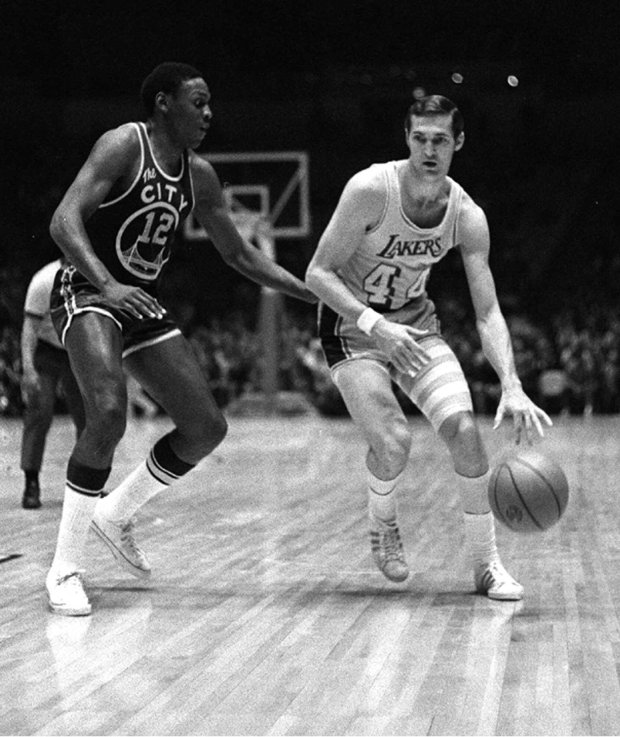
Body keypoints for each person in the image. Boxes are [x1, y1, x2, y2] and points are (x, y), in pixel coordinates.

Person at [45, 62, 315, 616]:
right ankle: (64, 570)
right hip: (88, 290)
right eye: (199, 102)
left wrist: (314, 293)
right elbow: (63, 220)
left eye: (210, 103)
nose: (209, 113)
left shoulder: (201, 175)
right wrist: (108, 283)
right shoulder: (124, 143)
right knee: (108, 413)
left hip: (138, 301)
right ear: (164, 102)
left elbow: (240, 255)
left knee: (206, 427)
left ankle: (115, 513)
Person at [305, 94, 552, 601]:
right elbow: (317, 273)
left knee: (466, 430)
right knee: (394, 443)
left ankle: (486, 566)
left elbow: (488, 311)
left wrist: (512, 383)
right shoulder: (372, 188)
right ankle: (382, 523)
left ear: (457, 143)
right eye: (420, 138)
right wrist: (373, 323)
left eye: (440, 139)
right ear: (407, 138)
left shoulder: (466, 214)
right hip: (352, 328)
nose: (429, 149)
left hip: (415, 325)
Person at [20, 257, 86, 509]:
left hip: (78, 348)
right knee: (40, 411)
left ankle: (85, 484)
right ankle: (31, 482)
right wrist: (28, 369)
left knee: (89, 418)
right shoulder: (44, 280)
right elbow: (29, 328)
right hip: (47, 350)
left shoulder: (94, 275)